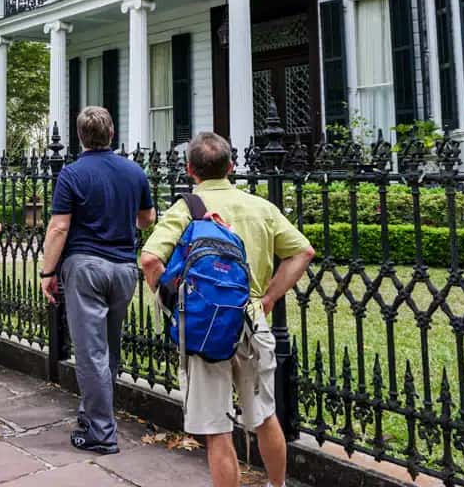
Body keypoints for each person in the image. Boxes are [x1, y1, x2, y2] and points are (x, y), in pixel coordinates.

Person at [139, 132, 315, 487]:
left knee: (217, 431)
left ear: (191, 170)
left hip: (204, 327)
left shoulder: (186, 208)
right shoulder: (260, 207)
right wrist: (268, 298)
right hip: (250, 320)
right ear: (232, 166)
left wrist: (176, 305)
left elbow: (149, 260)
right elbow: (303, 252)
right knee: (265, 417)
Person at [39, 106, 155, 455]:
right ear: (112, 132)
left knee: (90, 353)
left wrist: (47, 272)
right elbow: (147, 218)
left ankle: (101, 433)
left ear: (79, 137)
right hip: (123, 268)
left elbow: (59, 227)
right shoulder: (133, 171)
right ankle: (92, 415)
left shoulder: (72, 174)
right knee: (108, 347)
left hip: (86, 267)